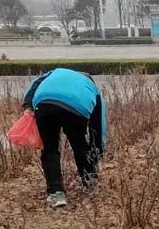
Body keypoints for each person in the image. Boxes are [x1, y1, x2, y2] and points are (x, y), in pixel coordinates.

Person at [22, 68, 106, 208]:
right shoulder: (92, 87)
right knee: (80, 146)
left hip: (45, 103)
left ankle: (57, 193)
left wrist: (28, 106)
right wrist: (97, 152)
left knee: (49, 149)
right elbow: (98, 127)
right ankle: (90, 184)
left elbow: (33, 86)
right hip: (76, 107)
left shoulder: (55, 72)